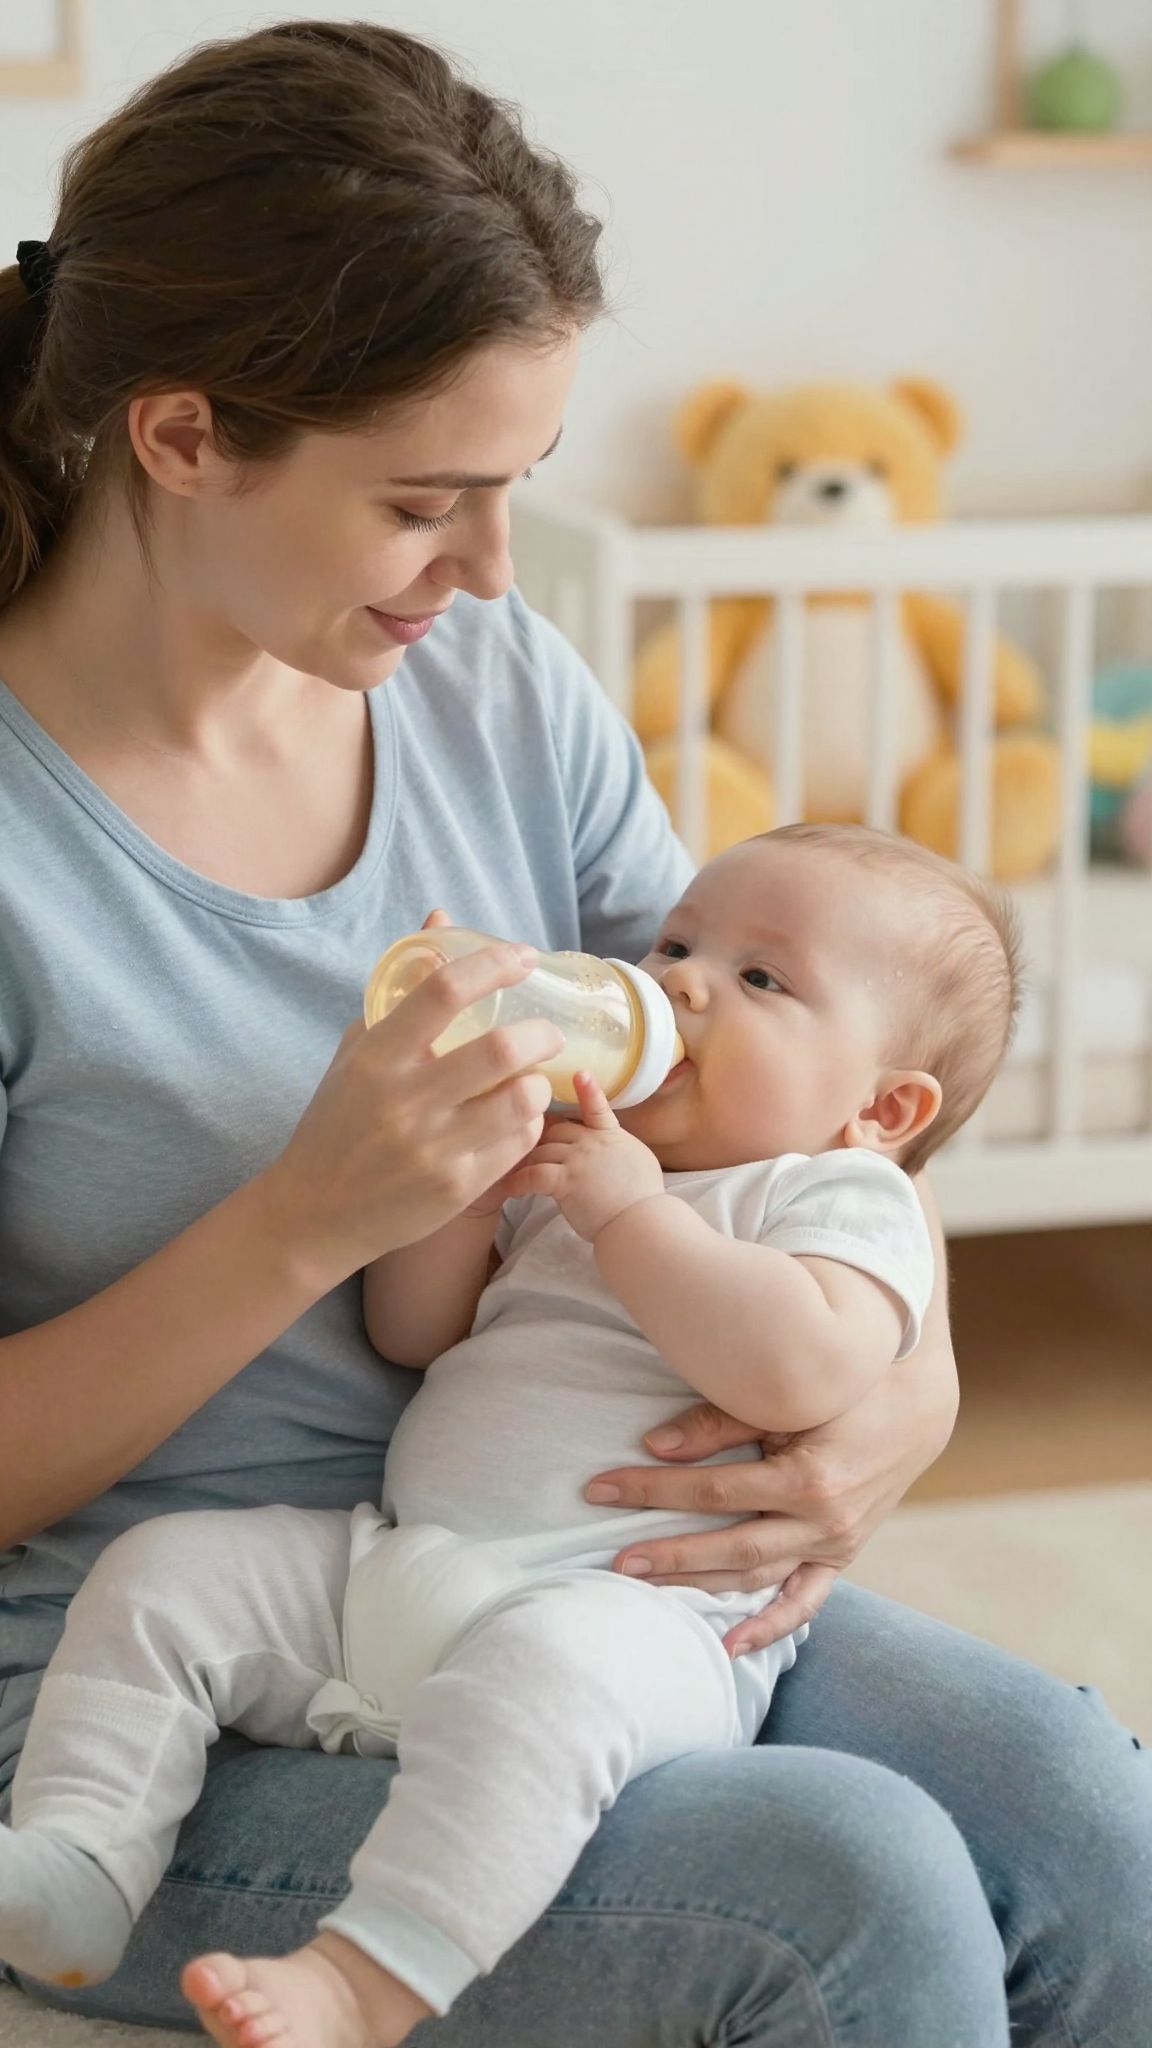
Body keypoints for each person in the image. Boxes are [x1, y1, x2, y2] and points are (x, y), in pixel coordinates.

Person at [0, 19, 1147, 2047]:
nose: (499, 570)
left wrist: (908, 1382)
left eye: (517, 486)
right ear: (182, 436)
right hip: (151, 1674)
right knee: (847, 1898)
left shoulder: (487, 683)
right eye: (429, 499)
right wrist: (300, 1220)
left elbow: (780, 1096)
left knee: (1080, 1806)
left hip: (575, 1557)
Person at [2, 824, 1021, 2048]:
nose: (684, 981)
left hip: (620, 1619)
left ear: (882, 1108)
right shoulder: (590, 1160)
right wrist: (460, 1200)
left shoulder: (831, 1199)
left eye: (762, 978)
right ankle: (81, 1856)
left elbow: (796, 1362)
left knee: (540, 1699)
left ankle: (366, 1975)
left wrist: (634, 1212)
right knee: (164, 1574)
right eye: (679, 943)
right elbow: (415, 1331)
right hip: (401, 1562)